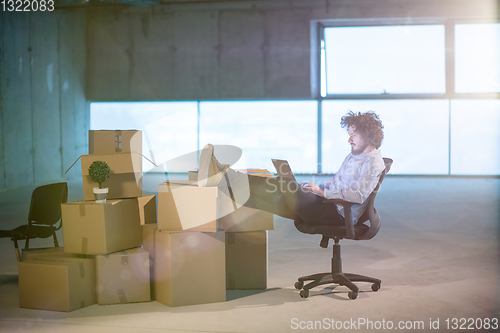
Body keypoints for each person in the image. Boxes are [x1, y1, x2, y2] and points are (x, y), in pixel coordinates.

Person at [197, 111, 386, 227]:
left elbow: (359, 195)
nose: (349, 139)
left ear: (367, 136)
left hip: (337, 215)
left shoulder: (374, 163)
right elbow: (336, 183)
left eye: (354, 135)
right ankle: (220, 182)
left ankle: (224, 175)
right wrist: (317, 188)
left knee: (283, 185)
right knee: (269, 200)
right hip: (326, 205)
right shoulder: (354, 155)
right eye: (349, 134)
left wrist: (321, 192)